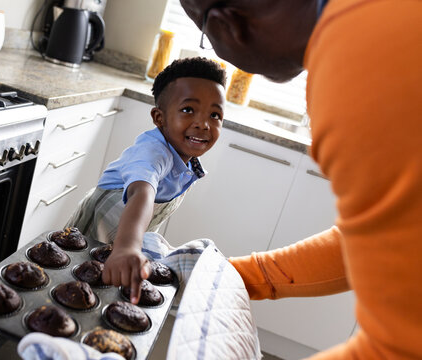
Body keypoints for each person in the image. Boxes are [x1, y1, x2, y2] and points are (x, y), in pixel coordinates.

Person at [180, 0, 422, 359]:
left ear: (225, 26)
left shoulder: (356, 68)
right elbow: (379, 237)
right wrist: (236, 276)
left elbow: (396, 348)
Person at [65, 57, 227, 304]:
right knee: (74, 284)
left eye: (214, 114)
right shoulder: (152, 152)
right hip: (94, 231)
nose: (203, 124)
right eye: (188, 110)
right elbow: (143, 193)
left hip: (126, 239)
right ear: (159, 118)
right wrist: (128, 247)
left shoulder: (186, 159)